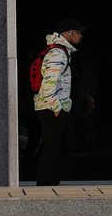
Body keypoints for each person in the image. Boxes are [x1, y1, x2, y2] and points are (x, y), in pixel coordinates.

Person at [31, 19, 90, 186]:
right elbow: (50, 82)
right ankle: (44, 185)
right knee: (53, 147)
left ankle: (51, 182)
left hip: (55, 107)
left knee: (67, 142)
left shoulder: (61, 51)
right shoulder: (57, 53)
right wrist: (56, 107)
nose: (80, 36)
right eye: (78, 32)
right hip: (51, 107)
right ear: (69, 33)